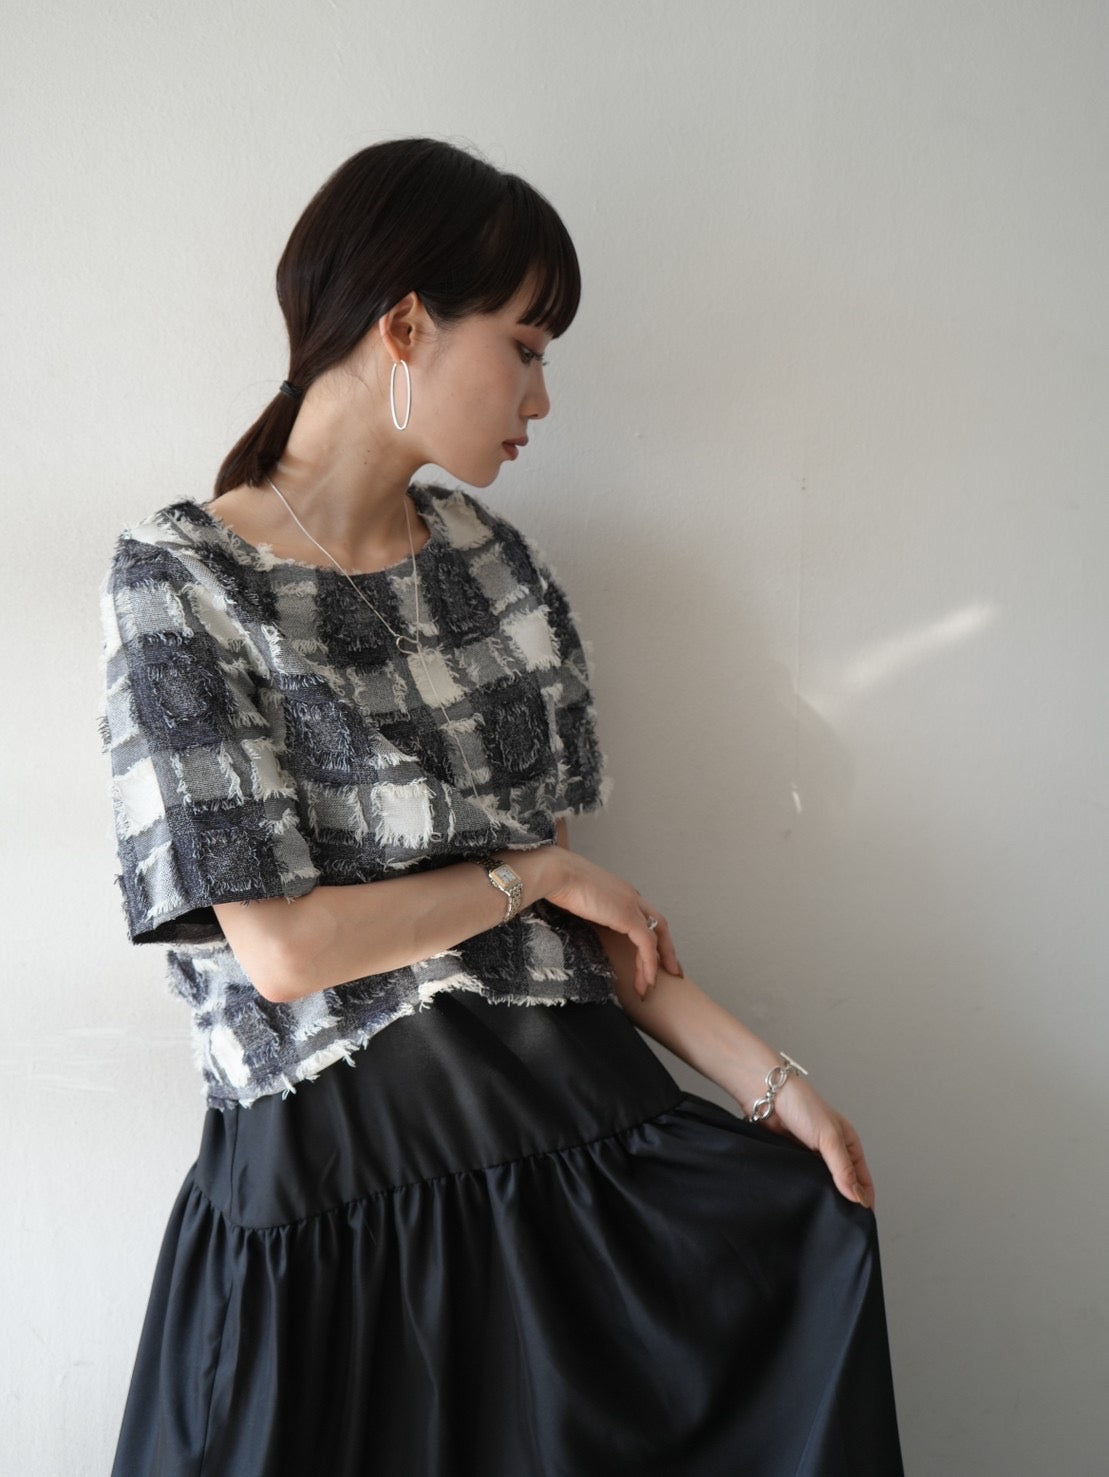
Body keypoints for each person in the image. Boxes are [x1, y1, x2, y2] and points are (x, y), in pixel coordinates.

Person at [98, 136, 903, 1476]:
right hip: (332, 1217)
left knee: (802, 1259)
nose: (542, 395)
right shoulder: (183, 582)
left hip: (564, 1181)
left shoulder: (498, 572)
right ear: (405, 325)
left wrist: (772, 1085)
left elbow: (588, 928)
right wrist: (529, 876)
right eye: (524, 347)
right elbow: (284, 952)